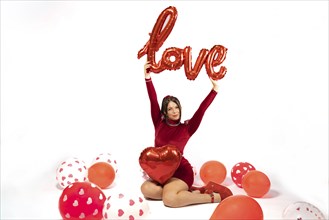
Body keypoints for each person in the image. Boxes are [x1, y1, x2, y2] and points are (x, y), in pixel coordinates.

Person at [140, 61, 233, 208]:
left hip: (181, 172)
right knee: (146, 189)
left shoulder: (187, 128)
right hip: (163, 173)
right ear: (165, 112)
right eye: (170, 109)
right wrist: (147, 77)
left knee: (169, 200)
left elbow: (201, 110)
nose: (174, 111)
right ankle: (185, 194)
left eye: (176, 107)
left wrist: (214, 90)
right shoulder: (159, 122)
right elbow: (153, 100)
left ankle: (211, 197)